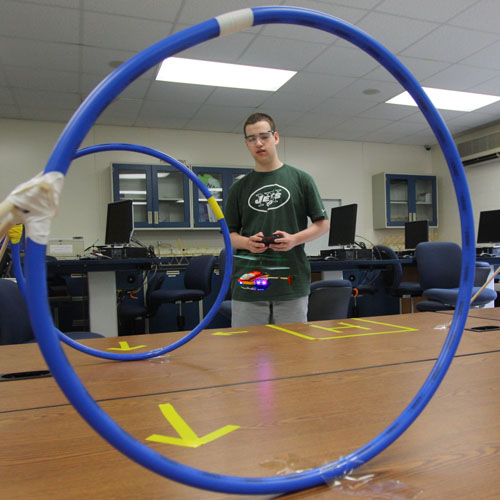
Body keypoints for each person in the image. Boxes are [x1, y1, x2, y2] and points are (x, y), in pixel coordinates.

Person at [225, 112, 329, 327]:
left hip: (291, 283)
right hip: (250, 284)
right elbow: (229, 234)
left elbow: (323, 224)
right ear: (246, 144)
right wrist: (246, 242)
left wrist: (295, 239)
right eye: (252, 139)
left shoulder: (301, 179)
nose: (259, 143)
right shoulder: (239, 187)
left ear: (276, 138)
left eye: (264, 136)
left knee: (291, 353)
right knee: (247, 352)